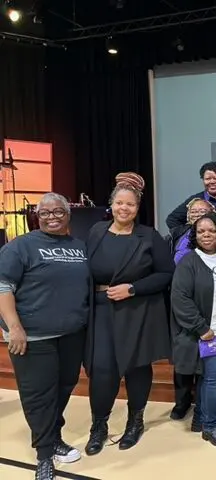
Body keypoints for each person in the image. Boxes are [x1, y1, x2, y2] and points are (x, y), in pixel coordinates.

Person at [0, 193, 90, 480]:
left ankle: (53, 438)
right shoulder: (21, 247)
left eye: (58, 211)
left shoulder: (79, 246)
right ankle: (43, 456)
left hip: (71, 334)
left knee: (64, 388)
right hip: (32, 337)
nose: (52, 217)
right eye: (45, 212)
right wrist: (14, 327)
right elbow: (3, 287)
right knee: (39, 396)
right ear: (37, 216)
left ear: (68, 214)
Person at [84, 173, 174, 456]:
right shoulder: (96, 231)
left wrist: (133, 288)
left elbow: (166, 274)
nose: (125, 209)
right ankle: (99, 425)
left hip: (136, 310)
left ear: (138, 208)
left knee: (136, 367)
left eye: (131, 205)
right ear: (111, 205)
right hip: (100, 311)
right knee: (101, 369)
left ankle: (135, 421)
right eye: (120, 203)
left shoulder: (149, 236)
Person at [171, 213, 216, 448]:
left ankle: (201, 418)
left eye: (211, 231)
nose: (206, 235)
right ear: (195, 236)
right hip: (208, 334)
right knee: (215, 380)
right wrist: (201, 327)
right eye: (201, 231)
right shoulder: (189, 261)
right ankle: (210, 426)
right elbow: (180, 298)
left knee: (210, 379)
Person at [166, 161, 216, 229]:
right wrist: (191, 234)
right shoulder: (195, 200)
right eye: (207, 179)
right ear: (203, 180)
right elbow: (172, 220)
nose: (212, 182)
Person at [168, 198, 215, 266]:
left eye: (202, 211)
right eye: (193, 212)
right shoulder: (178, 232)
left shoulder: (215, 233)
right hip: (176, 273)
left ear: (212, 213)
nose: (197, 215)